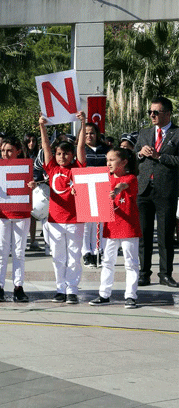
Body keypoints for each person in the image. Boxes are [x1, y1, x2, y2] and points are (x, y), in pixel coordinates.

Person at [39, 112, 87, 304]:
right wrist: (42, 126)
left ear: (71, 155)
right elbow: (45, 147)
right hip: (55, 220)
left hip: (75, 220)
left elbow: (81, 146)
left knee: (74, 257)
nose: (61, 157)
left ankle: (72, 290)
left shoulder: (77, 167)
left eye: (65, 153)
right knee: (58, 257)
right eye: (59, 153)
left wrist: (83, 122)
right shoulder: (52, 168)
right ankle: (60, 289)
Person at [135, 96, 179, 288]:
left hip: (166, 190)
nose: (152, 115)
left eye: (156, 112)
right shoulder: (144, 133)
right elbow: (132, 158)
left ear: (167, 114)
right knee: (144, 235)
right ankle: (144, 273)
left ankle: (165, 274)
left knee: (165, 235)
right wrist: (139, 153)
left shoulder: (177, 134)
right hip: (144, 189)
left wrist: (159, 156)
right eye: (150, 112)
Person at [90, 147, 141, 308]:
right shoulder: (105, 178)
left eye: (112, 160)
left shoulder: (131, 177)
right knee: (107, 261)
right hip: (110, 226)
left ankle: (131, 295)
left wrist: (116, 189)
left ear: (124, 161)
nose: (108, 163)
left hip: (128, 227)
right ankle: (104, 294)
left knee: (130, 262)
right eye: (107, 160)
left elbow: (124, 185)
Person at [0, 136, 31, 302]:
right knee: (1, 251)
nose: (5, 154)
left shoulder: (26, 166)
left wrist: (32, 185)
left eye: (9, 151)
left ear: (18, 151)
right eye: (2, 151)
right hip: (3, 213)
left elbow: (31, 183)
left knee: (19, 252)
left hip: (21, 213)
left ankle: (18, 287)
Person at [81, 122, 110, 268]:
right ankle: (86, 252)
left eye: (91, 133)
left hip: (102, 188)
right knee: (87, 224)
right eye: (85, 133)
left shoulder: (106, 149)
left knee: (101, 222)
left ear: (97, 134)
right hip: (85, 189)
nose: (89, 136)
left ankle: (99, 250)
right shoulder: (80, 149)